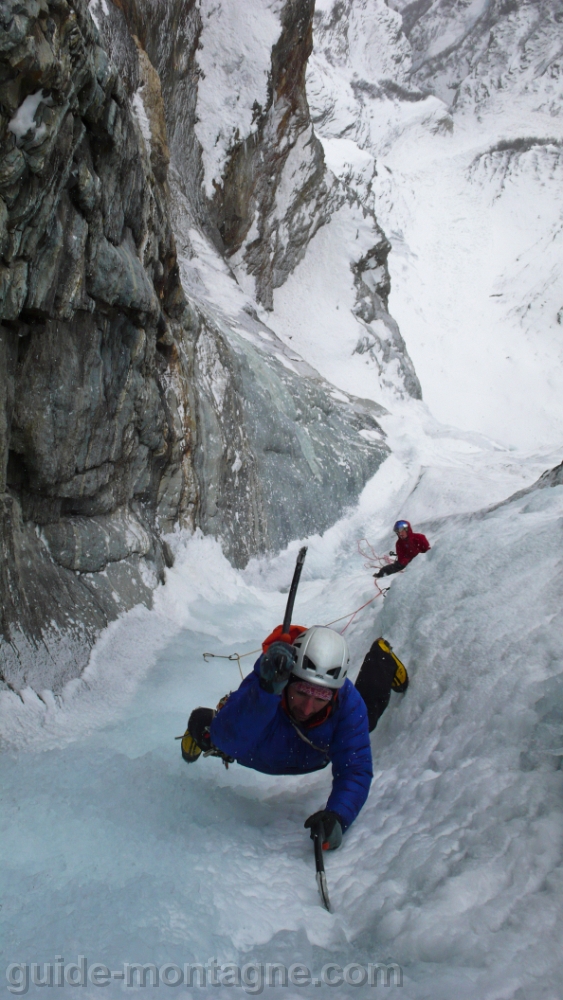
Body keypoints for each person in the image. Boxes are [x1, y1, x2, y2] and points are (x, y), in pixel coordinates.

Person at [181, 626, 408, 851]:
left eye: (321, 697)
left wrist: (338, 816)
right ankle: (197, 730)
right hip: (258, 744)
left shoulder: (347, 704)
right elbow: (227, 737)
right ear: (289, 679)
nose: (308, 708)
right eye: (301, 692)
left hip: (310, 752)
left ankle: (381, 659)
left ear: (335, 693)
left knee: (365, 716)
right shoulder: (267, 680)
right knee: (214, 736)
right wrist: (266, 691)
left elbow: (355, 769)